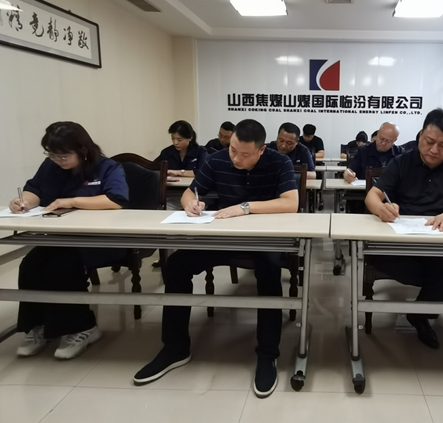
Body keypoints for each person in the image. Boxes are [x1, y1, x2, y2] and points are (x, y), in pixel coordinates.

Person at [134, 119, 298, 398]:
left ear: (261, 150)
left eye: (244, 154)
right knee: (176, 266)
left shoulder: (279, 161)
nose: (236, 158)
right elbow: (190, 192)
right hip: (223, 235)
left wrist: (244, 208)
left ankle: (267, 353)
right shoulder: (216, 159)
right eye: (233, 149)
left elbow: (290, 203)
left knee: (270, 271)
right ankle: (175, 347)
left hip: (263, 238)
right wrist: (190, 204)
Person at [9, 122, 129, 360]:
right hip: (60, 236)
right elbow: (34, 189)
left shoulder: (107, 167)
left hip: (98, 239)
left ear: (82, 150)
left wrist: (72, 201)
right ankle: (39, 325)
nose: (57, 160)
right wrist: (24, 202)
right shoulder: (50, 166)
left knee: (61, 266)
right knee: (31, 265)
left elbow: (116, 199)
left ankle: (82, 328)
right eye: (51, 155)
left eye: (63, 156)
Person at [365, 109, 443, 349]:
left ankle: (420, 314)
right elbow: (373, 195)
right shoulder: (401, 161)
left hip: (439, 239)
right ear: (421, 134)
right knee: (442, 273)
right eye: (429, 141)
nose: (434, 150)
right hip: (400, 237)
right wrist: (380, 208)